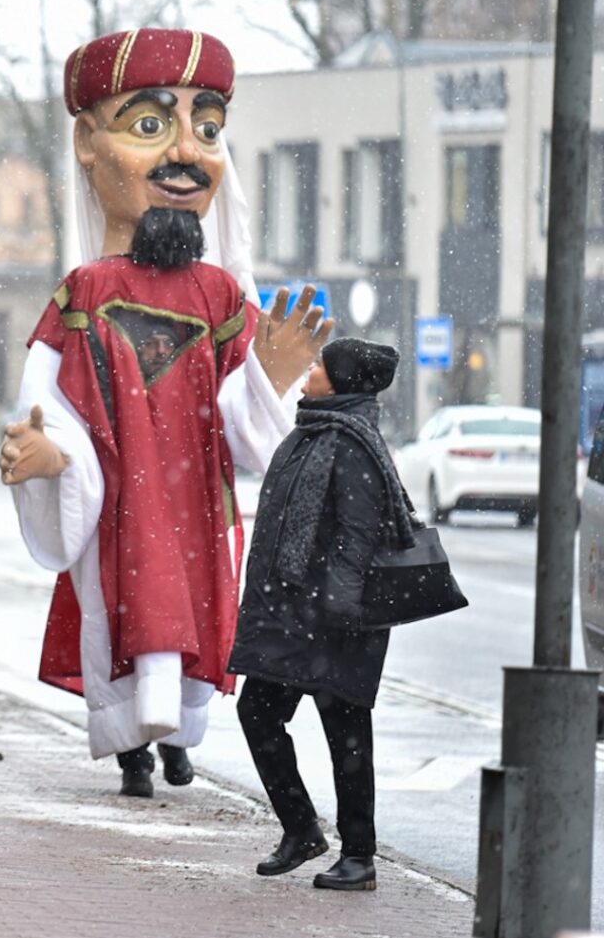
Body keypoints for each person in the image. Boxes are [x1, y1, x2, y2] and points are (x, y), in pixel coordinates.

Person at [0, 28, 333, 799]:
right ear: (88, 144)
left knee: (195, 610)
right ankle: (133, 749)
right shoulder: (84, 290)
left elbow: (252, 424)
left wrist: (270, 379)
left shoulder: (220, 297)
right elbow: (42, 391)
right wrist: (48, 452)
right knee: (131, 612)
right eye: (151, 125)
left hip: (193, 497)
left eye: (207, 128)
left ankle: (178, 737)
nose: (187, 153)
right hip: (117, 495)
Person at [228, 337, 406, 892]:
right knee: (259, 710)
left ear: (343, 381)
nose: (311, 371)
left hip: (335, 617)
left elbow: (357, 532)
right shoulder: (315, 430)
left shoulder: (352, 443)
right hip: (294, 612)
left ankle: (359, 857)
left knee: (347, 733)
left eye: (321, 367)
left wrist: (342, 606)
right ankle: (303, 830)